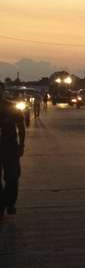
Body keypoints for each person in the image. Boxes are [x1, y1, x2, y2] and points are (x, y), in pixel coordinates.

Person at [0, 83, 27, 217]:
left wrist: (21, 145)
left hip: (10, 147)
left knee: (12, 178)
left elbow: (21, 127)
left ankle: (9, 202)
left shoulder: (11, 107)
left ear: (3, 91)